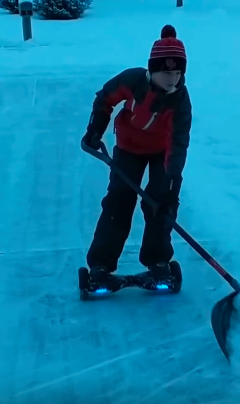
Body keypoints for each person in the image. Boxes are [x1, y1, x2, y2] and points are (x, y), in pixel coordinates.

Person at [81, 24, 192, 283]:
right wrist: (96, 129)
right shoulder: (132, 80)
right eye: (166, 73)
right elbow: (104, 98)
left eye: (177, 73)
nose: (172, 79)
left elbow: (178, 144)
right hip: (129, 148)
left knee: (160, 205)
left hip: (162, 153)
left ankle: (158, 260)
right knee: (119, 200)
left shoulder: (180, 101)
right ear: (151, 70)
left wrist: (172, 186)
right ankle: (101, 265)